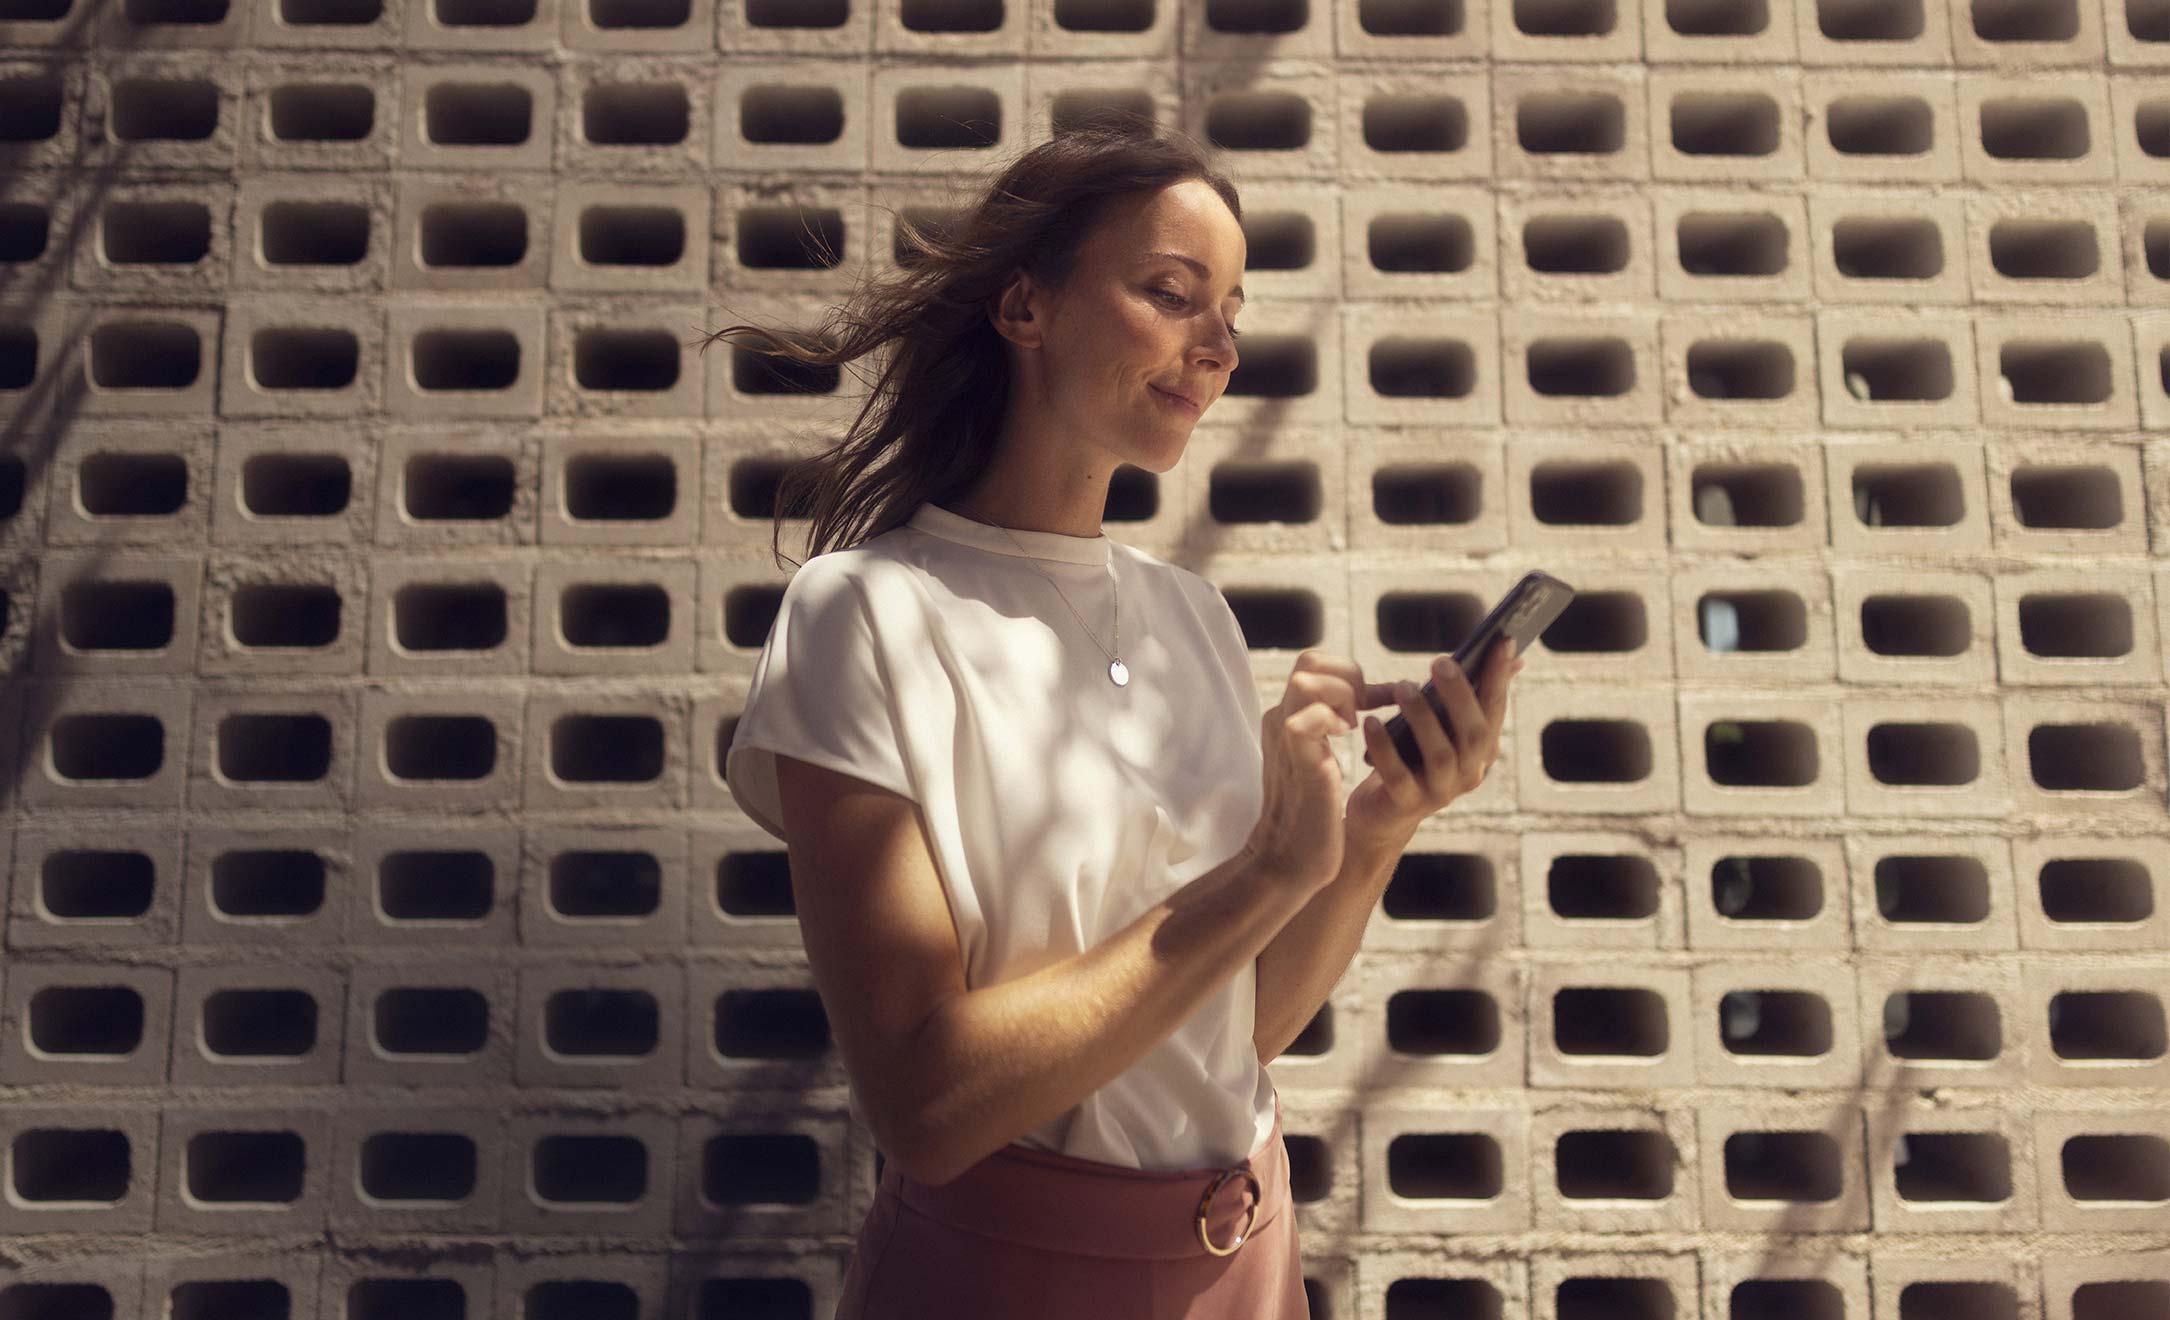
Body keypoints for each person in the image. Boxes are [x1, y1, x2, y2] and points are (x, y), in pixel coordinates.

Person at [709, 112, 1520, 1319]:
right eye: (1172, 293)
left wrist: (1372, 832)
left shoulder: (1189, 615)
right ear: (1024, 308)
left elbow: (1235, 1032)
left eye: (1232, 315)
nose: (1215, 348)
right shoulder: (863, 614)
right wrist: (1259, 876)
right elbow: (927, 1108)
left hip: (1248, 1269)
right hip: (1006, 1281)